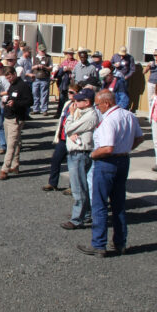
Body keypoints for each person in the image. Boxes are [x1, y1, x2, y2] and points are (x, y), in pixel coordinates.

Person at [77, 89, 143, 257]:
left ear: (107, 103)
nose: (97, 108)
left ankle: (99, 244)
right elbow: (139, 138)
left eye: (98, 105)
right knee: (119, 204)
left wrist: (93, 154)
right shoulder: (129, 115)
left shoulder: (109, 120)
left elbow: (107, 148)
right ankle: (120, 243)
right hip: (123, 161)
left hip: (107, 162)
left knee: (99, 204)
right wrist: (127, 148)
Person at [60, 88, 99, 229]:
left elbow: (68, 127)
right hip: (75, 152)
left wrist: (70, 117)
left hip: (80, 153)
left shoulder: (90, 115)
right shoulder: (81, 112)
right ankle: (85, 213)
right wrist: (70, 131)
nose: (74, 102)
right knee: (81, 186)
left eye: (78, 100)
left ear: (87, 102)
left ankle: (77, 218)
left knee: (79, 188)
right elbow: (68, 130)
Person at [0, 67, 33, 180]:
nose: (8, 80)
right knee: (14, 142)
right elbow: (10, 95)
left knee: (11, 145)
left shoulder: (23, 86)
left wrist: (16, 103)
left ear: (14, 74)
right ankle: (15, 165)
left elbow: (29, 101)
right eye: (7, 78)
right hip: (8, 116)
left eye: (9, 77)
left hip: (16, 118)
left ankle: (5, 168)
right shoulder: (12, 85)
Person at [31, 44, 52, 114]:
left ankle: (44, 110)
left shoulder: (48, 57)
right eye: (42, 50)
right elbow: (30, 67)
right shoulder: (34, 57)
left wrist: (44, 67)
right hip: (35, 78)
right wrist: (36, 66)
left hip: (45, 78)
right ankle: (35, 109)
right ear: (38, 50)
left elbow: (51, 68)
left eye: (44, 50)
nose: (43, 52)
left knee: (44, 95)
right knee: (35, 94)